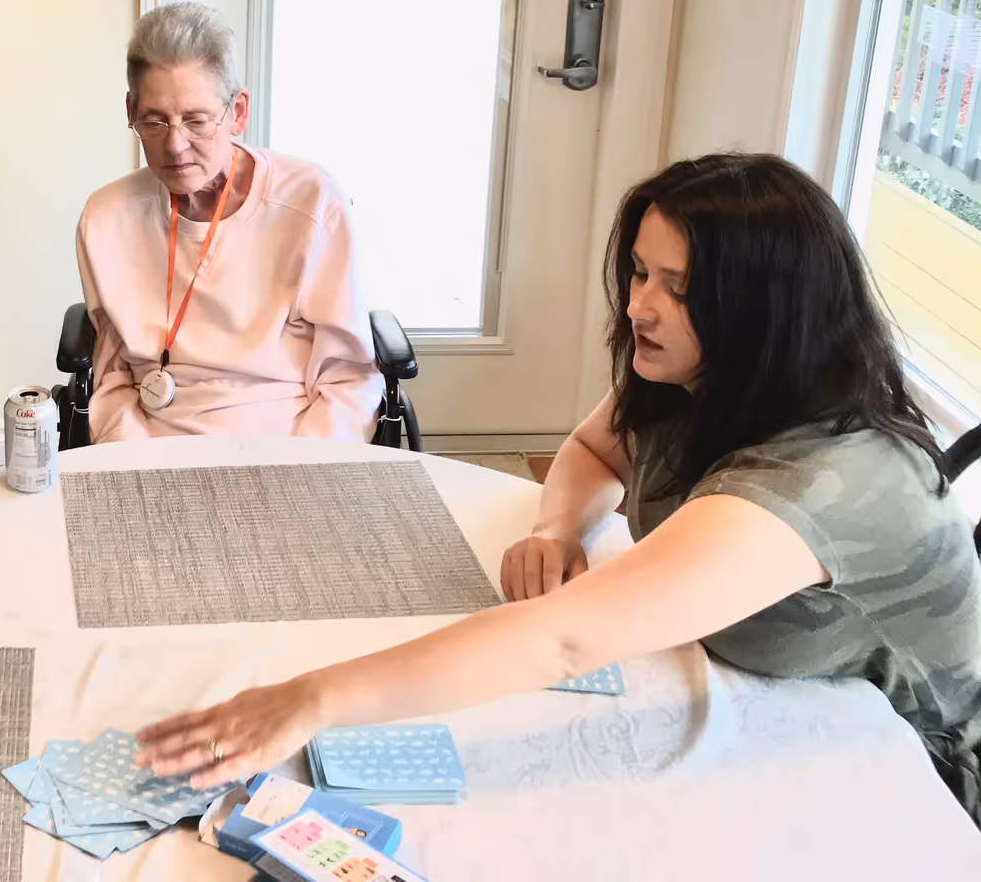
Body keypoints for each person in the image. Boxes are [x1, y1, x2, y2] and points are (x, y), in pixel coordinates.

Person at [135, 153, 981, 824]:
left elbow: (562, 641)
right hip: (774, 702)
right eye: (641, 273)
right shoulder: (702, 376)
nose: (641, 308)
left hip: (909, 780)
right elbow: (591, 449)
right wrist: (557, 528)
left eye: (678, 290)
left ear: (764, 313)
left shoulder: (825, 483)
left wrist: (308, 699)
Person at [75, 2, 380, 442]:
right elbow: (113, 379)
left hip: (285, 439)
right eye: (155, 122)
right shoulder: (106, 219)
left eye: (196, 121)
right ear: (130, 112)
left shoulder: (312, 203)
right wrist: (132, 460)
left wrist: (305, 470)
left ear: (237, 111)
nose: (175, 146)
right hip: (155, 443)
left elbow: (348, 380)